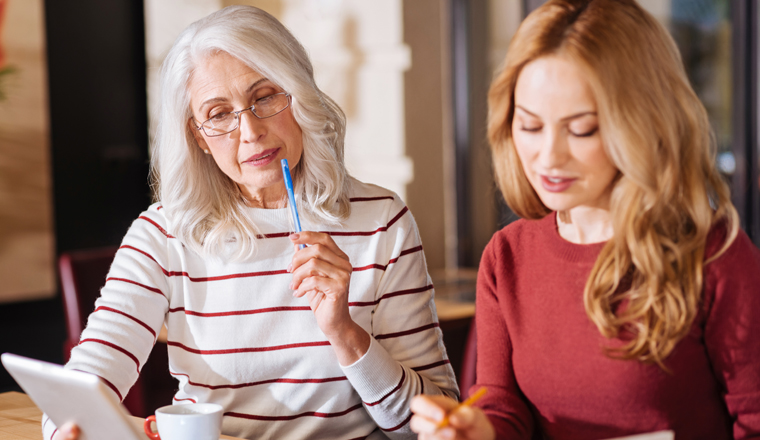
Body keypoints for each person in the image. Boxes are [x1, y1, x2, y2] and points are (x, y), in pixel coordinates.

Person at [46, 6, 458, 440]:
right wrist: (66, 431)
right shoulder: (163, 235)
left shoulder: (382, 221)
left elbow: (437, 424)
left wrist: (345, 333)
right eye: (219, 114)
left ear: (298, 97)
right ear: (197, 137)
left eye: (264, 97)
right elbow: (76, 393)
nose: (249, 130)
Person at [410, 0, 760, 439]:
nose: (549, 157)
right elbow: (502, 405)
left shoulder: (712, 254)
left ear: (641, 124)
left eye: (581, 130)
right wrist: (476, 430)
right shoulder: (507, 257)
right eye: (531, 126)